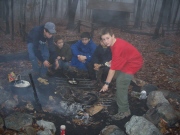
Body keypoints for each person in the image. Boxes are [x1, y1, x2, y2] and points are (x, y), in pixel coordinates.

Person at [99, 27, 143, 120]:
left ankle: (124, 111)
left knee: (121, 82)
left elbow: (112, 69)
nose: (106, 41)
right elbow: (119, 56)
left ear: (113, 36)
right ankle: (119, 97)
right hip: (127, 61)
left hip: (133, 63)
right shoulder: (113, 43)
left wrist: (106, 84)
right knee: (117, 77)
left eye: (107, 38)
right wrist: (113, 61)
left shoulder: (117, 46)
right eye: (103, 39)